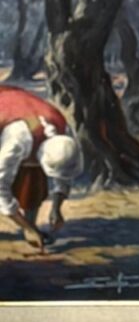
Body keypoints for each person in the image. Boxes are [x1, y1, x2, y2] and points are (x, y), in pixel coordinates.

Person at [0, 85, 83, 251]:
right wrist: (27, 228)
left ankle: (30, 224)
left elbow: (64, 175)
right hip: (6, 109)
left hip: (20, 115)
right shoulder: (19, 137)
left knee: (33, 179)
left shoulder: (64, 135)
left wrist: (56, 208)